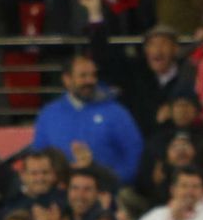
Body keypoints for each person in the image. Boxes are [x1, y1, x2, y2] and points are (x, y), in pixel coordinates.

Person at [29, 52, 144, 185]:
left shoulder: (116, 112)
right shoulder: (49, 114)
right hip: (59, 194)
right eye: (83, 76)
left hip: (107, 193)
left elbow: (135, 154)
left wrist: (114, 182)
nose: (89, 81)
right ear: (67, 79)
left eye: (93, 75)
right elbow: (39, 155)